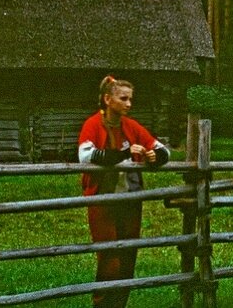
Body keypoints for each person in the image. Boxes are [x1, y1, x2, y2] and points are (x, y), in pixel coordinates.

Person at [78, 75, 169, 308]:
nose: (129, 104)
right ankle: (103, 304)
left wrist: (153, 156)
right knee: (109, 258)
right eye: (123, 99)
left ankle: (120, 304)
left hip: (130, 201)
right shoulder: (93, 125)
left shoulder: (132, 126)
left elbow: (162, 150)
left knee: (128, 257)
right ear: (108, 99)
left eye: (131, 99)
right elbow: (86, 155)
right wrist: (123, 154)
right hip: (103, 200)